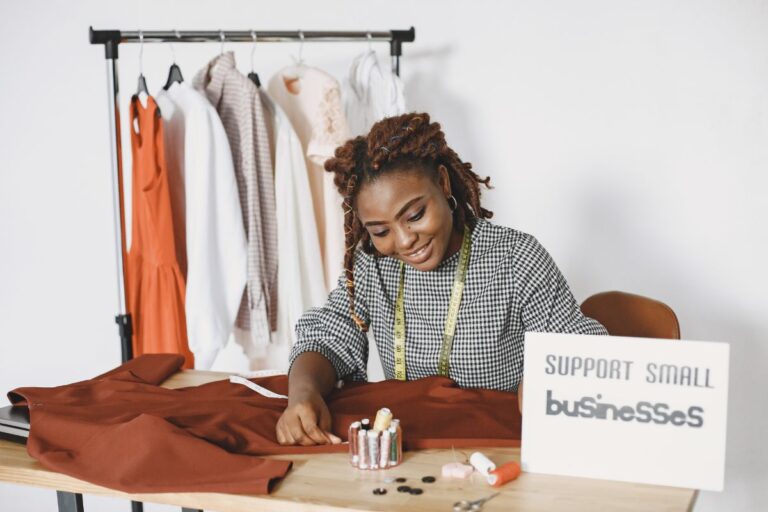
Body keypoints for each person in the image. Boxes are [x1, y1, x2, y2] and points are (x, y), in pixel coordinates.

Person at [276, 113, 607, 446]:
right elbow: (328, 338)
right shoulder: (373, 265)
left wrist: (546, 376)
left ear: (443, 183)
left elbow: (577, 350)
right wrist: (302, 394)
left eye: (415, 215)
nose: (404, 241)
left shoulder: (514, 258)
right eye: (381, 231)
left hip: (500, 452)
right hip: (409, 454)